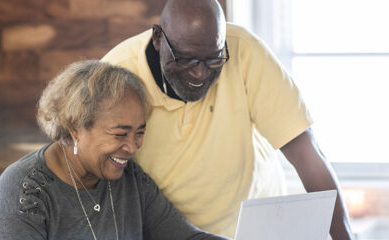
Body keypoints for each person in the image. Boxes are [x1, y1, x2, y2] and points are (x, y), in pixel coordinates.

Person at [100, 0, 354, 239]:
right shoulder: (116, 75)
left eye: (213, 59)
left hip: (256, 226)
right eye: (186, 59)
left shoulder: (244, 50)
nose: (200, 73)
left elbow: (305, 152)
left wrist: (345, 236)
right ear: (158, 38)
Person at [0, 60, 228, 240]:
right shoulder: (22, 193)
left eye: (139, 132)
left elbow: (187, 238)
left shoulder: (131, 180)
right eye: (119, 134)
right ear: (75, 128)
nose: (132, 147)